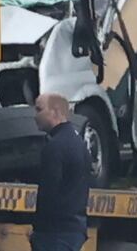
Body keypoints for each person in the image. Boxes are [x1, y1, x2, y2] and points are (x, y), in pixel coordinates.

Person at [30, 93, 92, 251]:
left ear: (55, 111)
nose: (35, 116)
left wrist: (38, 228)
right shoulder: (80, 144)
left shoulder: (55, 147)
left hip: (54, 233)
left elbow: (49, 192)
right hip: (74, 229)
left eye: (39, 110)